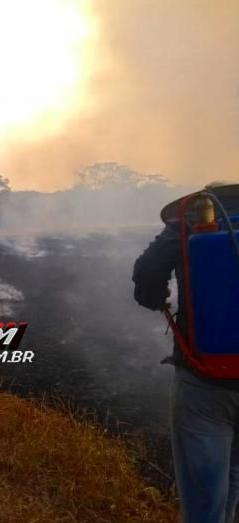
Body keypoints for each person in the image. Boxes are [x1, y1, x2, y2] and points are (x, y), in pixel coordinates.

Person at [133, 191, 239, 523]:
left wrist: (156, 298)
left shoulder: (190, 220)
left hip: (205, 383)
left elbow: (149, 270)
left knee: (203, 499)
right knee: (235, 475)